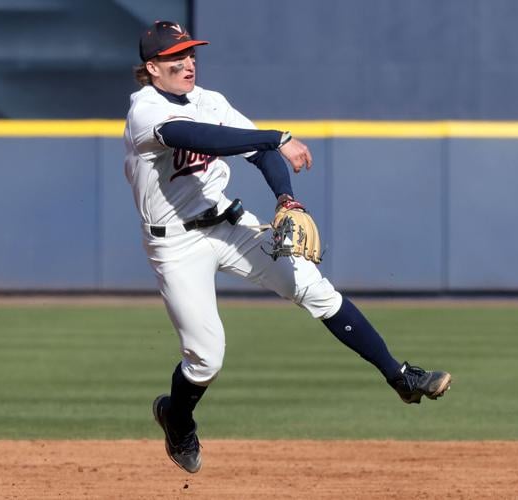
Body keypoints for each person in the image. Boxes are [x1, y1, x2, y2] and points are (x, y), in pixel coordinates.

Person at [124, 21, 451, 474]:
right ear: (152, 68)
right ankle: (176, 417)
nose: (188, 63)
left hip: (229, 225)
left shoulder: (210, 101)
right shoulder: (145, 110)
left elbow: (259, 154)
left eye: (191, 53)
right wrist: (274, 135)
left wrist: (284, 196)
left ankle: (400, 377)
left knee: (315, 288)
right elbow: (200, 137)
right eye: (176, 57)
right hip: (176, 243)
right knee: (206, 356)